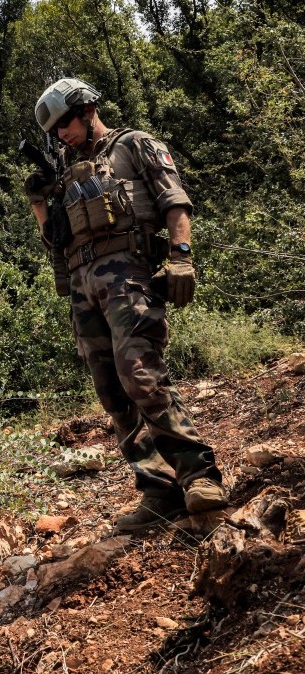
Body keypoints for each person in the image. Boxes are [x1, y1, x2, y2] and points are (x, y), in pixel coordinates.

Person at [23, 78, 228, 532]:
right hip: (83, 285)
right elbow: (53, 241)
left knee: (140, 372)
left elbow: (174, 200)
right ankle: (158, 487)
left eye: (66, 123)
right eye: (54, 130)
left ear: (87, 107)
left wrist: (181, 256)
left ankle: (198, 473)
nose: (61, 134)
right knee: (111, 391)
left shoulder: (133, 145)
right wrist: (40, 199)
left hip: (128, 273)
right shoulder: (64, 176)